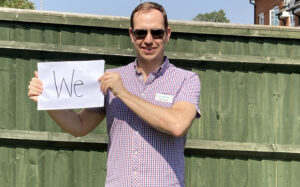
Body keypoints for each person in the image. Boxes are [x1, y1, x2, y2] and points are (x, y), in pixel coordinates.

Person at [28, 2, 200, 186]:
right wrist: (47, 100)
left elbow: (177, 125)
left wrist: (123, 93)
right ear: (131, 35)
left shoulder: (186, 79)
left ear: (167, 34)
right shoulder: (111, 79)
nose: (148, 40)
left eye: (156, 32)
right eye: (141, 33)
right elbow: (79, 126)